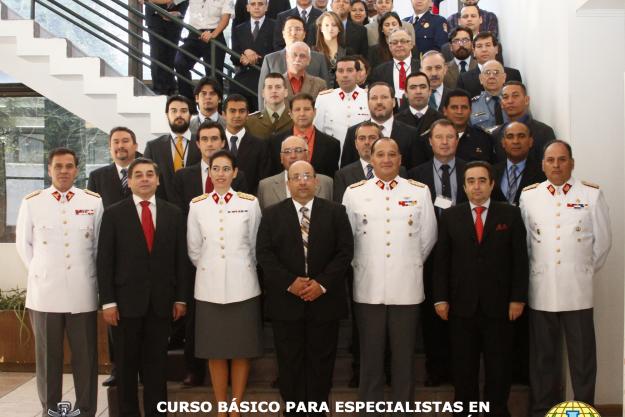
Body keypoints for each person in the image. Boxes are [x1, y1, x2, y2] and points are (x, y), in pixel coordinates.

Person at [343, 137, 437, 412]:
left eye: (392, 154)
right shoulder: (355, 192)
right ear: (371, 160)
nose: (386, 159)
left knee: (404, 357)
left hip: (406, 286)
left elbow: (428, 237)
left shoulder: (419, 192)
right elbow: (347, 240)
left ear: (400, 159)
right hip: (368, 285)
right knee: (370, 356)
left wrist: (406, 263)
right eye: (380, 154)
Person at [519, 140, 612, 417]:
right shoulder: (530, 195)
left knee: (582, 358)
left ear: (571, 163)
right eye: (551, 160)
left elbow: (602, 244)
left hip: (577, 290)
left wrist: (580, 271)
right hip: (542, 288)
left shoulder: (591, 195)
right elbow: (525, 243)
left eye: (562, 160)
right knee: (543, 358)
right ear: (542, 164)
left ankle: (583, 409)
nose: (556, 165)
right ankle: (541, 410)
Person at [257, 160, 354, 416]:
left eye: (307, 176)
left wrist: (321, 284)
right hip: (286, 303)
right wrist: (291, 282)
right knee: (289, 363)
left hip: (325, 301)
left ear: (316, 182)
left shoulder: (336, 212)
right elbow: (264, 255)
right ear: (287, 183)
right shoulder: (271, 214)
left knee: (322, 363)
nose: (302, 181)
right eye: (296, 177)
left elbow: (345, 253)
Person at [433, 160, 529, 417]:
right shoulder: (452, 216)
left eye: (482, 181)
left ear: (492, 184)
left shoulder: (509, 214)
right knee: (464, 368)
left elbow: (520, 260)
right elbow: (442, 261)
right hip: (461, 307)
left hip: (500, 307)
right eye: (471, 181)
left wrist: (517, 298)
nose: (477, 186)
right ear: (463, 187)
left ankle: (497, 412)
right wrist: (440, 298)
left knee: (499, 368)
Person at [97, 157, 189, 417]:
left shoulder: (173, 213)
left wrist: (181, 298)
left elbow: (180, 260)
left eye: (150, 174)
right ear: (130, 181)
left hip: (161, 305)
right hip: (125, 306)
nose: (145, 179)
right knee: (126, 370)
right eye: (139, 175)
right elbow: (105, 261)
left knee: (156, 368)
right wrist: (108, 302)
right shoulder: (114, 213)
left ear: (158, 180)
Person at [16, 148, 103, 417]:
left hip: (82, 291)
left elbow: (99, 246)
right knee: (47, 359)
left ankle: (86, 410)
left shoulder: (92, 201)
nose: (63, 171)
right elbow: (24, 245)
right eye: (58, 166)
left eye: (68, 166)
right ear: (49, 169)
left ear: (77, 170)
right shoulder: (33, 202)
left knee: (85, 359)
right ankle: (50, 410)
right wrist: (41, 272)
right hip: (45, 293)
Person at [187, 150, 263, 417]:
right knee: (215, 350)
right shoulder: (197, 205)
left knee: (242, 349)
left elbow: (255, 245)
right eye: (215, 169)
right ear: (209, 173)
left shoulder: (250, 203)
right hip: (209, 288)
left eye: (225, 169)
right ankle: (221, 407)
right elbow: (194, 249)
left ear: (235, 172)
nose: (220, 174)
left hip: (243, 285)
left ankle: (236, 406)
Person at [407, 118, 467, 387]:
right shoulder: (415, 175)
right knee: (433, 316)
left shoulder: (473, 170)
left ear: (457, 140)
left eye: (450, 137)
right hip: (429, 252)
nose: (444, 142)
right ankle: (436, 369)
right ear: (429, 142)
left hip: (464, 254)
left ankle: (459, 370)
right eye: (439, 137)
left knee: (462, 315)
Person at [87, 126, 138, 388]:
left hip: (144, 255)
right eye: (116, 142)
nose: (121, 146)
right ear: (110, 148)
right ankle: (118, 367)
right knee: (114, 317)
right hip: (113, 255)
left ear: (135, 144)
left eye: (126, 141)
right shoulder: (98, 177)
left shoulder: (145, 171)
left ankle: (144, 367)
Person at [173, 120, 251, 214]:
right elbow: (179, 213)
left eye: (214, 139)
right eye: (204, 139)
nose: (209, 144)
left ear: (223, 143)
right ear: (198, 144)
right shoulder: (182, 176)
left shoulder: (238, 176)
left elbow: (242, 211)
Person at [340, 82, 424, 169]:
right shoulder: (353, 133)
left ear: (394, 102)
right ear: (368, 103)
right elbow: (346, 172)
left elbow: (417, 172)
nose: (379, 102)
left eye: (384, 97)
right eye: (374, 98)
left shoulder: (411, 134)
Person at [258, 16, 332, 109]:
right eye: (289, 29)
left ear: (304, 34)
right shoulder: (270, 59)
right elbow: (263, 93)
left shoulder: (318, 58)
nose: (293, 33)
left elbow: (326, 91)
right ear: (283, 33)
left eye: (298, 29)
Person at [174, 0, 234, 101]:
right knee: (179, 61)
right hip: (194, 35)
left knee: (214, 76)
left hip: (215, 36)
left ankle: (217, 108)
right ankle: (188, 101)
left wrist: (213, 34)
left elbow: (226, 18)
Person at [144, 95, 201, 201]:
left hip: (197, 208)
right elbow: (147, 180)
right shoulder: (153, 147)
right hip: (164, 210)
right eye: (174, 111)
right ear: (167, 115)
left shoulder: (202, 144)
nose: (179, 115)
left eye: (184, 111)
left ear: (190, 115)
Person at [270, 93, 340, 177]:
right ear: (291, 113)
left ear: (314, 112)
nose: (302, 113)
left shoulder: (331, 144)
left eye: (307, 109)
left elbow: (332, 180)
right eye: (297, 109)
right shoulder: (275, 142)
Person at [259, 135, 333, 210]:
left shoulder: (326, 183)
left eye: (298, 150)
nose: (293, 156)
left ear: (308, 155)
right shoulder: (265, 186)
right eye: (287, 151)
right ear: (281, 157)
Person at [314, 56, 370, 152]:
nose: (345, 75)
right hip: (333, 155)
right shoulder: (324, 99)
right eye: (340, 71)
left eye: (349, 70)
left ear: (358, 74)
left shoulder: (369, 97)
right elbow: (317, 132)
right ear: (336, 75)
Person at [230, 0, 276, 113]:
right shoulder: (239, 29)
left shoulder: (275, 26)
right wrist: (245, 53)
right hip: (243, 75)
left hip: (265, 77)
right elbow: (234, 56)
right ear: (247, 7)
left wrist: (254, 58)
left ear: (266, 7)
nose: (256, 7)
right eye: (253, 4)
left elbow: (277, 52)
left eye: (260, 4)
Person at [492, 81, 556, 162]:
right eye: (505, 97)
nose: (510, 101)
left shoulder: (544, 132)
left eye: (515, 96)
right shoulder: (497, 134)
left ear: (526, 100)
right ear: (501, 104)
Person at [222, 94, 271, 193]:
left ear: (248, 115)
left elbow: (263, 181)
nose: (237, 115)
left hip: (249, 202)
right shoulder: (215, 143)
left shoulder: (260, 146)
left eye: (242, 111)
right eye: (232, 111)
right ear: (223, 115)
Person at [492, 121, 546, 206]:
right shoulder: (491, 172)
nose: (515, 141)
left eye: (521, 136)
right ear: (503, 142)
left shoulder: (543, 173)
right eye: (510, 137)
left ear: (530, 141)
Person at [457, 32, 522, 98]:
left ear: (496, 49)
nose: (484, 50)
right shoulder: (464, 79)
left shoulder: (513, 74)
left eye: (488, 45)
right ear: (473, 52)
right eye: (479, 46)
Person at [143, 0, 188, 95]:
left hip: (175, 15)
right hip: (154, 17)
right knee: (157, 54)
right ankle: (159, 89)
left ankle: (170, 88)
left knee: (171, 55)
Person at [369, 28, 420, 107]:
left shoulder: (421, 67)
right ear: (389, 46)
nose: (399, 45)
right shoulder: (379, 71)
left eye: (403, 41)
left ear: (411, 44)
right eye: (395, 42)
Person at [441, 88, 495, 162]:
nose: (459, 112)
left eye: (464, 107)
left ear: (470, 111)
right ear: (445, 111)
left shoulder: (483, 138)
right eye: (454, 107)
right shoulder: (431, 138)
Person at [246, 73, 294, 139]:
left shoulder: (295, 119)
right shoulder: (250, 121)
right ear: (263, 93)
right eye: (269, 87)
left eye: (278, 87)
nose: (274, 91)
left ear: (286, 92)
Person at [395, 72, 443, 137]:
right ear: (406, 93)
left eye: (423, 87)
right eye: (413, 87)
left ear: (430, 91)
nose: (418, 91)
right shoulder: (395, 121)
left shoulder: (441, 120)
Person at [313, 11, 348, 88]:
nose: (330, 28)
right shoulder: (313, 52)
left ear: (339, 28)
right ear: (321, 28)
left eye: (334, 25)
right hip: (320, 93)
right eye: (326, 25)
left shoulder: (348, 52)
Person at [470, 59, 506, 131]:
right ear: (481, 79)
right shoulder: (472, 105)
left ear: (504, 77)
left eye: (496, 72)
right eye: (487, 73)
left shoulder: (514, 101)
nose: (491, 76)